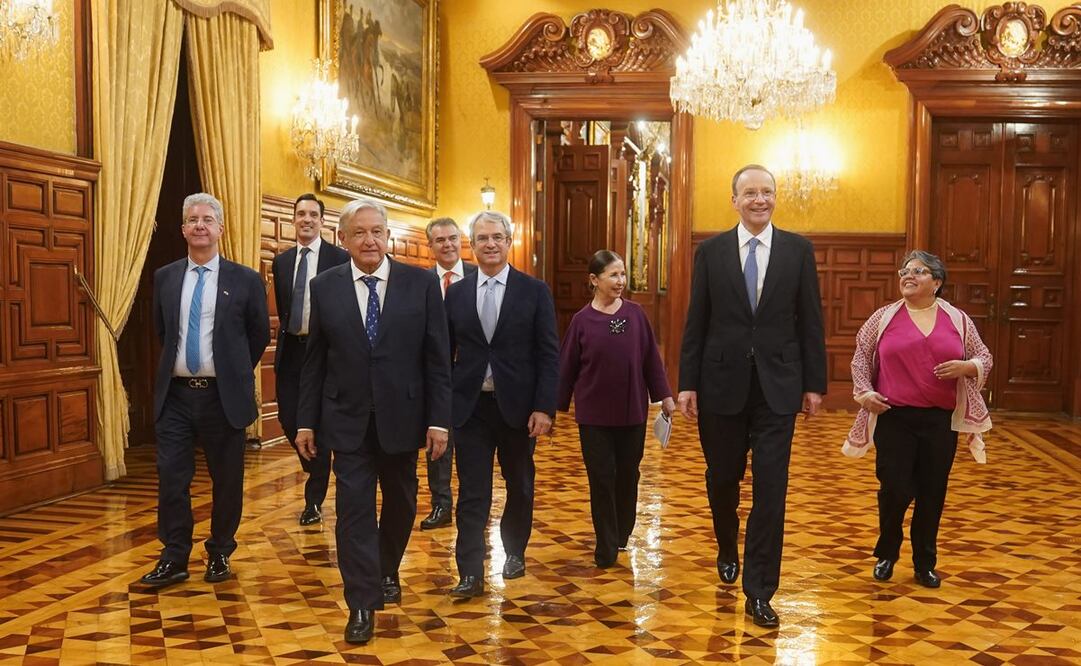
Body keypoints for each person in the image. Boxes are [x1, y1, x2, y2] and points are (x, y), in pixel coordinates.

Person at [294, 199, 451, 644]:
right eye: (359, 232)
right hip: (345, 419)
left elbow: (437, 359)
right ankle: (361, 602)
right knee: (353, 511)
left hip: (404, 418)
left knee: (401, 504)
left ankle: (386, 568)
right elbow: (315, 361)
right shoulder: (324, 287)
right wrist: (307, 420)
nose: (369, 240)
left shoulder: (419, 284)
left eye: (377, 231)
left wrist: (439, 419)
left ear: (388, 236)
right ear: (343, 239)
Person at [677, 164, 826, 629]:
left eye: (767, 192)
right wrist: (687, 383)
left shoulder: (799, 251)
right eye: (750, 193)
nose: (759, 200)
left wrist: (814, 384)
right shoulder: (712, 251)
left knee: (771, 489)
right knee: (723, 478)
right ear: (734, 199)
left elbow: (811, 321)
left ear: (775, 198)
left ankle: (760, 590)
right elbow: (696, 320)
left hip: (777, 388)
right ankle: (727, 544)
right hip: (720, 386)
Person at [140, 193, 270, 588]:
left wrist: (229, 371)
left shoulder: (245, 279)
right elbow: (163, 330)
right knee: (171, 478)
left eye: (207, 219)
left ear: (220, 229)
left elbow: (258, 335)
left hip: (222, 397)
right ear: (183, 229)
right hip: (176, 396)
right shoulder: (165, 277)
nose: (200, 225)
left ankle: (219, 552)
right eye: (192, 219)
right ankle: (174, 556)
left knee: (226, 479)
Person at [843, 250, 992, 588]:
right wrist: (865, 393)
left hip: (939, 422)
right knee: (894, 489)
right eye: (905, 271)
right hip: (894, 418)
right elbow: (861, 358)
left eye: (919, 271)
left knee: (931, 491)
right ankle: (887, 552)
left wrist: (968, 367)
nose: (908, 276)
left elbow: (983, 355)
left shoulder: (958, 320)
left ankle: (925, 561)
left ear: (936, 283)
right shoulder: (883, 318)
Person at [444, 210, 559, 599]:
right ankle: (470, 572)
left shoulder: (534, 290)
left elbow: (548, 354)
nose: (489, 244)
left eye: (497, 237)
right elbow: (442, 353)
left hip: (519, 409)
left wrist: (544, 407)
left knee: (520, 485)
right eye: (482, 239)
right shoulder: (456, 293)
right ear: (472, 246)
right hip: (470, 407)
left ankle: (514, 551)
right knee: (472, 491)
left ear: (510, 242)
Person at [557, 250, 675, 568]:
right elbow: (566, 368)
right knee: (600, 477)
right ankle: (606, 543)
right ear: (594, 280)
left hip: (632, 413)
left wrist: (664, 395)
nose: (621, 281)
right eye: (613, 275)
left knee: (627, 475)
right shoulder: (581, 321)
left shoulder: (636, 315)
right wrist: (552, 408)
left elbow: (651, 359)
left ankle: (623, 532)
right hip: (594, 417)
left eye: (623, 274)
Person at [271, 193, 349, 527]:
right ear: (293, 220)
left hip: (328, 354)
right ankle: (317, 465)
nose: (306, 219)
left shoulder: (339, 258)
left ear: (322, 221)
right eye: (300, 214)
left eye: (312, 214)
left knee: (324, 420)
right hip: (292, 354)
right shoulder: (282, 262)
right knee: (291, 419)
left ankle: (313, 498)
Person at [419, 217, 477, 530]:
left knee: (471, 446)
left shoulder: (479, 276)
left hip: (472, 376)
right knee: (437, 442)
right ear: (430, 246)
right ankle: (441, 505)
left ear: (461, 240)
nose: (448, 245)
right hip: (433, 377)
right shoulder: (421, 282)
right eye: (440, 240)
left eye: (453, 238)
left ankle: (472, 504)